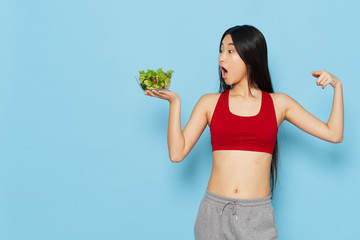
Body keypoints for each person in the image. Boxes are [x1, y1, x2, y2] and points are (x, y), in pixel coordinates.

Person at [143, 25, 344, 240]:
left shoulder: (279, 104)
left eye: (230, 51)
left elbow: (334, 134)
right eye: (220, 50)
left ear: (250, 57)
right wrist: (175, 103)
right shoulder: (209, 103)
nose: (221, 58)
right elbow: (177, 153)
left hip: (257, 216)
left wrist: (337, 86)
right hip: (213, 213)